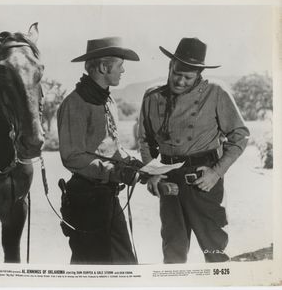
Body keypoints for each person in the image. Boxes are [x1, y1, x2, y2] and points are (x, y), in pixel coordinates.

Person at [138, 37, 250, 263]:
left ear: (199, 75)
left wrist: (216, 172)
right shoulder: (152, 97)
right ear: (170, 67)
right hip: (169, 182)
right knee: (173, 251)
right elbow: (144, 140)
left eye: (188, 77)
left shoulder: (216, 93)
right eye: (176, 73)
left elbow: (240, 135)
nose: (180, 81)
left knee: (214, 250)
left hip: (203, 181)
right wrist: (153, 174)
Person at [57, 37, 145, 264]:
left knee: (125, 264)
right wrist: (115, 172)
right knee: (91, 267)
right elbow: (72, 157)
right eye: (120, 65)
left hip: (107, 197)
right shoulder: (75, 103)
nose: (123, 70)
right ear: (105, 67)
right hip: (86, 200)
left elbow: (110, 146)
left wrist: (132, 163)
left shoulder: (107, 101)